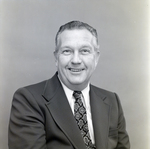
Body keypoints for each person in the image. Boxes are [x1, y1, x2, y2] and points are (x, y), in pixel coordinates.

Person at [8, 21, 130, 149]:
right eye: (67, 51)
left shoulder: (112, 100)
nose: (76, 60)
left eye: (84, 51)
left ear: (96, 57)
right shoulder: (28, 100)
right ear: (56, 58)